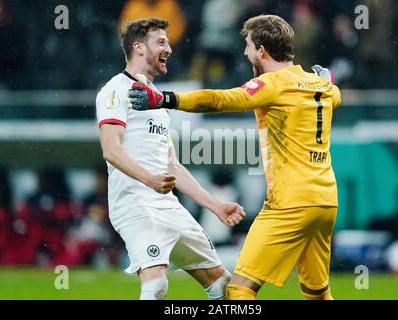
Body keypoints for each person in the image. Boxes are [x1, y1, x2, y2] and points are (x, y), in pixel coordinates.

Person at [128, 14, 341, 300]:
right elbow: (335, 93)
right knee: (317, 292)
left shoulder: (273, 84)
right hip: (325, 202)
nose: (245, 52)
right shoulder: (322, 87)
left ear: (262, 50)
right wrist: (327, 78)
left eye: (249, 46)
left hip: (290, 203)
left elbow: (222, 99)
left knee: (239, 290)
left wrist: (165, 99)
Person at [96, 18, 246, 300]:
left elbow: (172, 166)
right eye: (161, 42)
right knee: (156, 286)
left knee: (223, 286)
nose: (169, 49)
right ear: (139, 48)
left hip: (167, 204)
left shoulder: (157, 102)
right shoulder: (115, 89)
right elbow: (111, 149)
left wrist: (216, 206)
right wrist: (149, 179)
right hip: (134, 202)